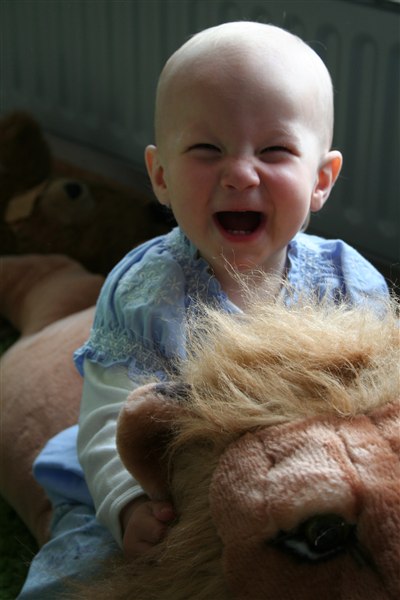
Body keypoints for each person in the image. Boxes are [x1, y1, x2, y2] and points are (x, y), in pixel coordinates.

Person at [17, 21, 388, 597]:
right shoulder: (147, 292)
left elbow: (383, 401)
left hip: (302, 481)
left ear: (320, 180)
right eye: (207, 149)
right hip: (169, 488)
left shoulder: (348, 282)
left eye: (275, 151)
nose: (240, 173)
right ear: (161, 175)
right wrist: (127, 504)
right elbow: (111, 415)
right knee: (78, 572)